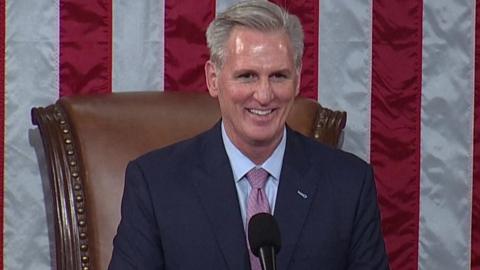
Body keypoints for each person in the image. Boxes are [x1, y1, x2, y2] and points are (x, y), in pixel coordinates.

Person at [109, 1, 389, 269]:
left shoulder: (349, 184)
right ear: (213, 79)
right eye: (247, 76)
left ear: (298, 79)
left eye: (279, 76)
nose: (264, 95)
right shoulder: (155, 184)